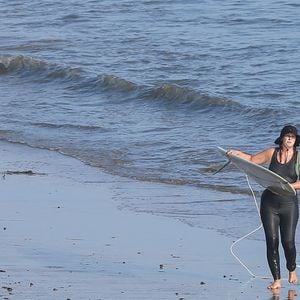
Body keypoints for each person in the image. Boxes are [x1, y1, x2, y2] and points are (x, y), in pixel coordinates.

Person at [228, 125, 300, 289]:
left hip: (289, 204)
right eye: (287, 136)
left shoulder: (299, 158)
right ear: (281, 138)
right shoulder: (271, 153)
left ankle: (291, 269)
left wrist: (289, 187)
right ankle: (276, 280)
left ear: (295, 140)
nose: (290, 138)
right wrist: (236, 154)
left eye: (293, 137)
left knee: (288, 242)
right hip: (269, 203)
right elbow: (253, 160)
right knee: (272, 241)